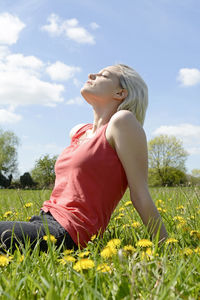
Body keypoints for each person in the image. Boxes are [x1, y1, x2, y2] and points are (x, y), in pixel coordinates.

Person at [0, 63, 168, 254]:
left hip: (70, 232)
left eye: (103, 75)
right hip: (44, 221)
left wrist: (166, 248)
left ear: (121, 93)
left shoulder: (123, 122)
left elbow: (140, 193)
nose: (91, 74)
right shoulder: (79, 132)